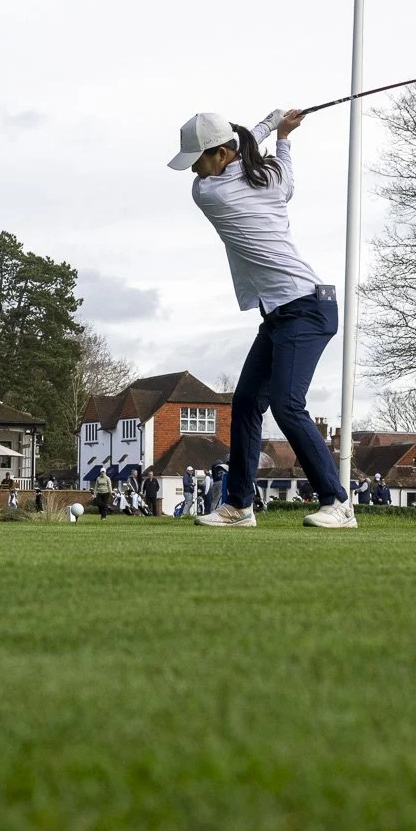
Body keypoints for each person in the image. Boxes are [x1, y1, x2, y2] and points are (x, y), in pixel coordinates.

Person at [173, 105, 353, 529]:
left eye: (197, 160)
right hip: (281, 313)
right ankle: (239, 506)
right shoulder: (268, 177)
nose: (192, 171)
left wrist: (272, 127)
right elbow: (283, 177)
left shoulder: (210, 193)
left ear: (220, 154)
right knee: (247, 404)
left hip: (305, 308)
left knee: (288, 406)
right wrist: (282, 136)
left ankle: (338, 504)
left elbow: (248, 152)